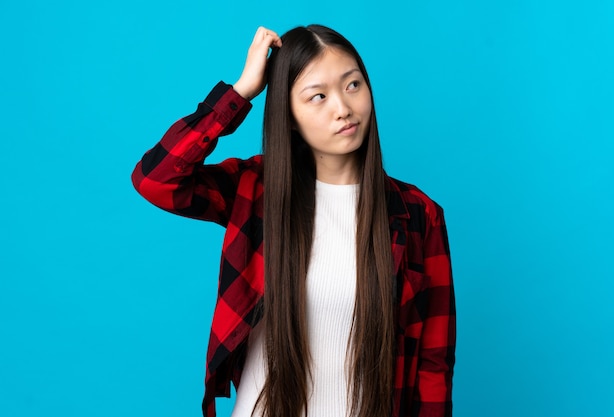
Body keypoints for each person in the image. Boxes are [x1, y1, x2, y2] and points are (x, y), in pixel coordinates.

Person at [132, 24, 455, 417]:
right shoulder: (256, 192)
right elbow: (157, 178)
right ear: (288, 117)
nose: (343, 108)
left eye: (352, 85)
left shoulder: (419, 215)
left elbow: (434, 363)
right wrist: (239, 94)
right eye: (318, 96)